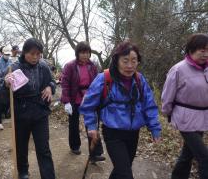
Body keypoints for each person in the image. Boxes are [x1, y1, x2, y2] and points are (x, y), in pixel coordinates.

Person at [80, 41, 161, 179]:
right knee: (125, 174)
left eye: (134, 61)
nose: (130, 66)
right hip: (113, 133)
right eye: (125, 61)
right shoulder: (104, 78)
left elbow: (149, 105)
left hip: (133, 133)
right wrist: (91, 126)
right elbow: (88, 105)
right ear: (117, 61)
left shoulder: (139, 79)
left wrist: (154, 128)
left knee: (121, 170)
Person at [4, 38, 56, 179]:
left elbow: (51, 81)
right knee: (21, 146)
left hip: (40, 112)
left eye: (38, 54)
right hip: (21, 112)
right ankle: (23, 172)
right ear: (24, 53)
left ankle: (48, 176)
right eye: (32, 53)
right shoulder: (14, 68)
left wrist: (50, 87)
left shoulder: (43, 66)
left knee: (43, 148)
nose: (35, 57)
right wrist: (6, 83)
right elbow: (0, 91)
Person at [161, 33, 208, 179]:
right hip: (185, 119)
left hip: (202, 118)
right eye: (202, 50)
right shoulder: (178, 70)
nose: (206, 54)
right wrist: (167, 112)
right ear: (191, 50)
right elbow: (167, 95)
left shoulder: (206, 69)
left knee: (187, 154)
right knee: (204, 157)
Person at [60, 41, 105, 162]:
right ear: (77, 53)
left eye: (87, 52)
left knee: (92, 124)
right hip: (75, 98)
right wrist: (66, 101)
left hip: (89, 98)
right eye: (82, 52)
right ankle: (74, 146)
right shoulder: (70, 66)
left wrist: (99, 97)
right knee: (73, 123)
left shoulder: (93, 66)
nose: (85, 55)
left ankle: (95, 153)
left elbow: (97, 83)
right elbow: (64, 84)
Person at [0, 46, 12, 129]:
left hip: (8, 85)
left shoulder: (11, 61)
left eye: (8, 54)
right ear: (2, 53)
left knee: (7, 101)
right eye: (6, 54)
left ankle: (5, 113)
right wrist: (3, 78)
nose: (7, 56)